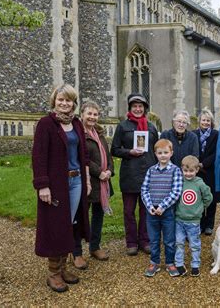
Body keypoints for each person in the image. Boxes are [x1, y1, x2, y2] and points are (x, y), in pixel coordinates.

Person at [32, 84, 91, 292]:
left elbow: (83, 154)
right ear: (54, 101)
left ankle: (64, 268)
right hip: (57, 183)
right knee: (56, 225)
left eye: (69, 100)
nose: (65, 103)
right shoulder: (46, 124)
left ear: (74, 103)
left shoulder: (76, 123)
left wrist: (87, 180)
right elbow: (38, 157)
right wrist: (42, 185)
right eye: (61, 99)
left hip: (76, 182)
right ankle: (53, 274)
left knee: (68, 224)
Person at [111, 93, 158, 256]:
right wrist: (129, 151)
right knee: (129, 211)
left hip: (148, 173)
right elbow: (114, 149)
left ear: (145, 108)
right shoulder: (123, 126)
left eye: (140, 106)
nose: (138, 109)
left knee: (146, 210)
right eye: (134, 106)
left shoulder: (151, 127)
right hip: (130, 174)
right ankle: (131, 242)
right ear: (130, 108)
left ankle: (145, 240)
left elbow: (155, 150)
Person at [71, 102, 114, 268]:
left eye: (95, 114)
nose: (92, 117)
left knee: (98, 216)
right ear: (82, 114)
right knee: (80, 218)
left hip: (102, 183)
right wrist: (99, 172)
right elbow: (83, 157)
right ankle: (76, 253)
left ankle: (95, 247)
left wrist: (110, 170)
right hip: (85, 181)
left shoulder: (99, 133)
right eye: (89, 113)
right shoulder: (78, 133)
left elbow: (107, 155)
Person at [141, 139, 183, 277]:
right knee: (153, 239)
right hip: (152, 211)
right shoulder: (151, 170)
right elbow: (144, 189)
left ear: (171, 153)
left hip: (167, 211)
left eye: (166, 152)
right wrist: (149, 206)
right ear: (155, 154)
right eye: (160, 153)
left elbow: (176, 191)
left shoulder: (175, 171)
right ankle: (154, 262)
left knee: (169, 240)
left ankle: (170, 262)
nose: (163, 155)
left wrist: (163, 206)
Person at [175, 155, 213, 277]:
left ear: (197, 170)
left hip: (194, 221)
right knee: (179, 243)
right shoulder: (180, 182)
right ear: (182, 169)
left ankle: (195, 265)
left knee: (194, 244)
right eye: (185, 171)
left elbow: (208, 197)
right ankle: (179, 263)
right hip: (179, 220)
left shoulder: (200, 183)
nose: (188, 174)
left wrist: (201, 208)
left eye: (191, 171)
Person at [192, 109, 219, 235]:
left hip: (210, 170)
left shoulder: (215, 134)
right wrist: (196, 164)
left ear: (211, 122)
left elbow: (216, 153)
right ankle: (201, 223)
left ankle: (209, 224)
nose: (205, 122)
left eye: (208, 120)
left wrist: (204, 163)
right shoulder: (193, 134)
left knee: (211, 198)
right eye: (203, 120)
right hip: (196, 171)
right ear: (199, 121)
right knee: (199, 197)